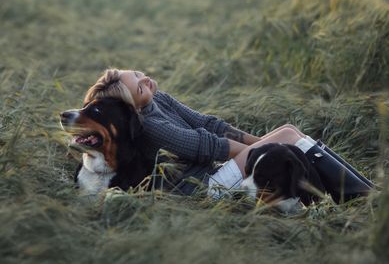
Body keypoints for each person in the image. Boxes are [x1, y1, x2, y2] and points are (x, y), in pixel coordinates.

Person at [83, 68, 373, 201]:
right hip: (203, 189)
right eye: (140, 86)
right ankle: (360, 195)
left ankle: (361, 188)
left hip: (217, 170)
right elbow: (208, 146)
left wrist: (263, 143)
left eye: (138, 74)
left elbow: (210, 124)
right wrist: (264, 148)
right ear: (133, 103)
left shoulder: (160, 99)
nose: (146, 79)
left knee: (289, 132)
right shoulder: (150, 127)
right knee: (285, 136)